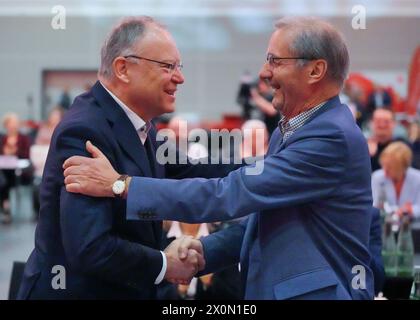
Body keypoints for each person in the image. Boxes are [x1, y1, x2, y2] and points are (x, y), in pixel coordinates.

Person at [63, 17, 375, 300]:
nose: (264, 74)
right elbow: (262, 218)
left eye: (274, 61)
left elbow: (229, 193)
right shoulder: (293, 128)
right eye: (167, 66)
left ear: (315, 70)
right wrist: (202, 251)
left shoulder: (329, 137)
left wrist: (120, 185)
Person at [18, 16, 216, 300]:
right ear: (123, 68)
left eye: (178, 67)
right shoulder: (85, 130)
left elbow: (193, 170)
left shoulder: (140, 124)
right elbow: (90, 248)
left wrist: (265, 166)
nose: (179, 77)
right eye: (167, 66)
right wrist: (164, 264)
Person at [372, 141, 420, 220]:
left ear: (403, 167)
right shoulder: (377, 177)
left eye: (390, 167)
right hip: (385, 224)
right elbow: (374, 205)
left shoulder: (418, 178)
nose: (385, 171)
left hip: (413, 226)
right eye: (384, 165)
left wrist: (410, 210)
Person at [0, 113, 32, 224]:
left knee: (3, 182)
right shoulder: (2, 139)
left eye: (15, 123)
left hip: (19, 172)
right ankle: (6, 207)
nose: (13, 126)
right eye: (10, 123)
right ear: (6, 125)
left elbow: (27, 155)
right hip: (4, 171)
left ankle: (5, 207)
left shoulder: (23, 138)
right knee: (2, 179)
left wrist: (14, 152)